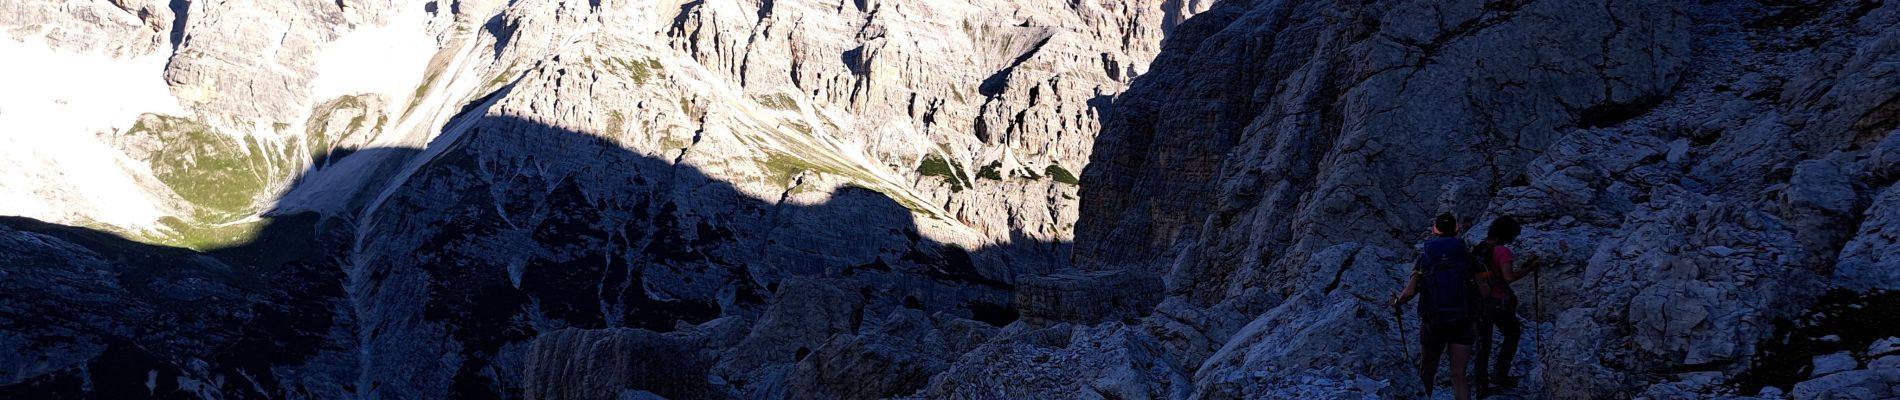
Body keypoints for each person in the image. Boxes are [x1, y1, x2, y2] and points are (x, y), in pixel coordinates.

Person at [1391, 213, 1482, 400]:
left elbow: (1409, 292)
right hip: (1463, 322)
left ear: (1435, 230)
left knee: (1427, 371)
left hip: (1433, 323)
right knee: (1459, 375)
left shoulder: (1425, 258)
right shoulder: (1467, 257)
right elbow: (1485, 290)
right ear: (1457, 229)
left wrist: (1396, 302)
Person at [1472, 216, 1538, 395]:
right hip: (1497, 300)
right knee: (1512, 334)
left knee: (1483, 342)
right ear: (1508, 234)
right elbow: (1508, 277)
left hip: (1478, 301)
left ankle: (1481, 384)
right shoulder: (1502, 251)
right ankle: (1500, 375)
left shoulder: (1480, 247)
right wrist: (1529, 269)